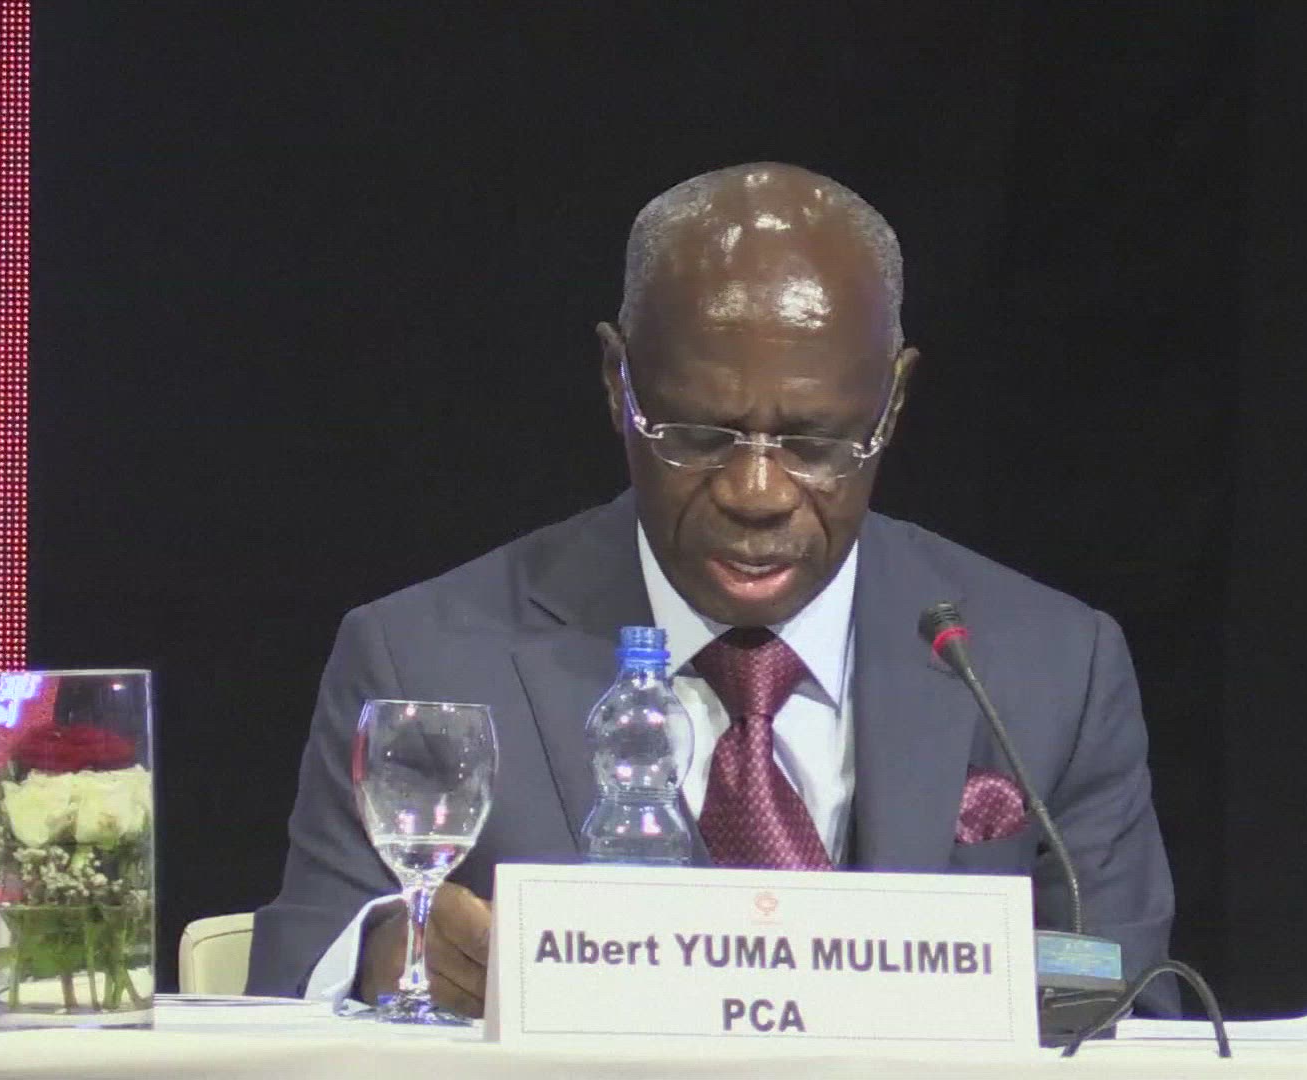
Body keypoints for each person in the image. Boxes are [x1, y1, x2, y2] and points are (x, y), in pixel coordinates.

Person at [245, 163, 1176, 1017]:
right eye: (696, 435)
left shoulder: (1050, 670)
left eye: (815, 442)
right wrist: (386, 956)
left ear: (892, 404)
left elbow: (1132, 1016)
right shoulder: (422, 658)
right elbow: (290, 984)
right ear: (618, 384)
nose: (756, 493)